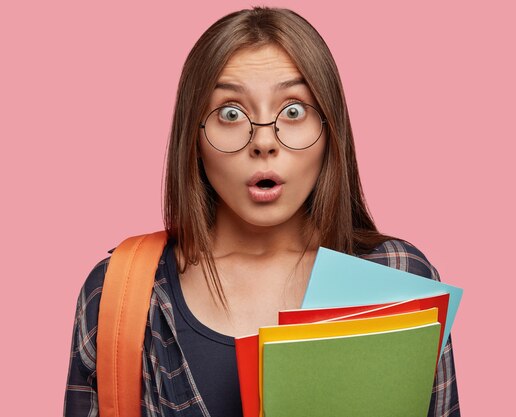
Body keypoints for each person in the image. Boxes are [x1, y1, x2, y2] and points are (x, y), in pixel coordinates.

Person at [64, 6, 460, 417]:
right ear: (193, 136)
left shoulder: (397, 278)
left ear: (330, 129)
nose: (264, 142)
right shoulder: (120, 292)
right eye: (230, 113)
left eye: (293, 110)